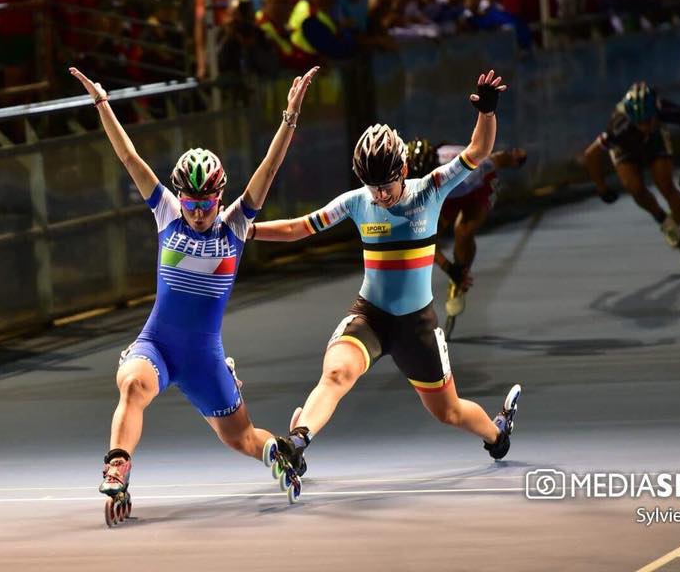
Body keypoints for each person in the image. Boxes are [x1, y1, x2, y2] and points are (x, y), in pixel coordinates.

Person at [250, 70, 522, 494]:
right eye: (372, 187)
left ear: (405, 169)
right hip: (371, 317)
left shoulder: (429, 190)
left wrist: (487, 111)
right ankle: (297, 442)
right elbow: (299, 228)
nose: (380, 196)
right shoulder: (358, 201)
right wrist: (244, 230)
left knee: (447, 412)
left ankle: (498, 433)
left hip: (416, 324)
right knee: (336, 374)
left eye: (386, 185)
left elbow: (479, 149)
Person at [69, 64, 320, 523]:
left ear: (220, 197)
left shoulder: (237, 224)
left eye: (206, 203)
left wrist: (289, 117)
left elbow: (270, 166)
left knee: (239, 438)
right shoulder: (165, 212)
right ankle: (118, 466)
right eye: (191, 201)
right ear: (179, 196)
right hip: (158, 345)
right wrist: (103, 104)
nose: (199, 211)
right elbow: (129, 158)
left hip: (204, 357)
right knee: (131, 384)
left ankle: (278, 452)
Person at [583, 82, 680, 271]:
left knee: (666, 185)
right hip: (625, 145)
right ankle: (663, 220)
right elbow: (590, 155)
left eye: (647, 121)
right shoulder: (620, 124)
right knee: (634, 188)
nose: (643, 127)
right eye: (639, 122)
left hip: (655, 140)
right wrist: (601, 187)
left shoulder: (667, 110)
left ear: (655, 114)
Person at [407, 139, 527, 333]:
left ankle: (460, 277)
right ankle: (456, 274)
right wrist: (447, 267)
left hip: (478, 188)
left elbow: (495, 160)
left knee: (463, 231)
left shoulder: (467, 171)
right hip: (446, 194)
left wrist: (512, 157)